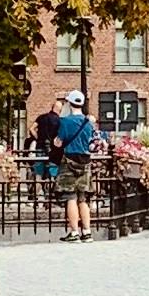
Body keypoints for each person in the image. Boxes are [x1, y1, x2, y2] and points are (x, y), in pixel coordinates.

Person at [54, 91, 99, 237]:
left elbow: (59, 142)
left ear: (69, 103)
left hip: (69, 160)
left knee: (71, 197)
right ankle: (87, 231)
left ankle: (74, 232)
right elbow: (92, 142)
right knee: (83, 198)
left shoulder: (65, 121)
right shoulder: (88, 123)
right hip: (85, 161)